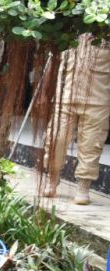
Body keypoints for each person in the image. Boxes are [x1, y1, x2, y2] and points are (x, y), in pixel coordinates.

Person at [43, 34, 110, 205]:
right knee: (56, 138)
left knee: (91, 144)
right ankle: (53, 177)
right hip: (66, 97)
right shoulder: (70, 26)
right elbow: (54, 61)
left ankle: (83, 186)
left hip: (98, 99)